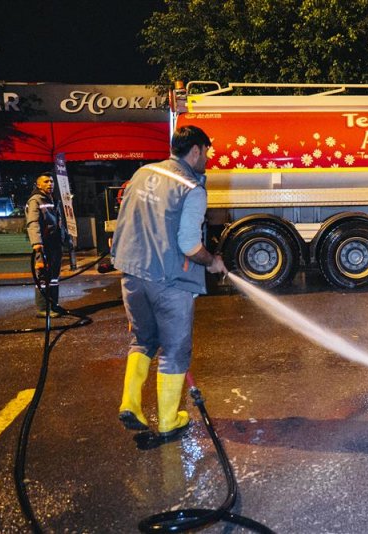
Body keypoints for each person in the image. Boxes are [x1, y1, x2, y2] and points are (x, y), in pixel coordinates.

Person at [112, 125, 227, 440]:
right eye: (206, 152)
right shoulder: (192, 189)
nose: (207, 159)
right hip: (169, 280)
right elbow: (189, 244)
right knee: (175, 350)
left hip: (132, 274)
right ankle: (168, 420)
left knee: (142, 340)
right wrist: (212, 262)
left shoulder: (142, 173)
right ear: (195, 150)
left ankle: (131, 404)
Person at [25, 172, 71, 318]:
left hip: (55, 243)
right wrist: (37, 243)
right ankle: (43, 309)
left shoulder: (53, 199)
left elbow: (58, 222)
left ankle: (54, 305)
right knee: (43, 276)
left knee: (54, 277)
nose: (50, 184)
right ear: (38, 185)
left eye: (51, 181)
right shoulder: (35, 200)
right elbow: (33, 222)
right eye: (46, 182)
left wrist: (66, 238)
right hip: (44, 244)